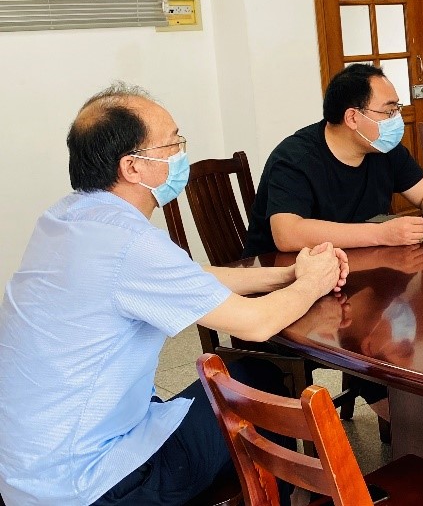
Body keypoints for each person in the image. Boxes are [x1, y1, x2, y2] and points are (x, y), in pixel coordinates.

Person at [0, 84, 348, 506]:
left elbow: (184, 277)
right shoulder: (129, 243)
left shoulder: (66, 219)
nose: (181, 153)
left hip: (28, 471)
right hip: (93, 485)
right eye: (173, 143)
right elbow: (257, 325)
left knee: (233, 383)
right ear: (132, 167)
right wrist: (314, 281)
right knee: (260, 384)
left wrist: (286, 275)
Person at [243, 63, 423, 258]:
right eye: (389, 112)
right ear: (352, 117)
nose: (397, 119)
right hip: (283, 275)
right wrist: (381, 234)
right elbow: (287, 234)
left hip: (358, 264)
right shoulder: (295, 158)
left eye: (397, 109)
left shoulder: (383, 148)